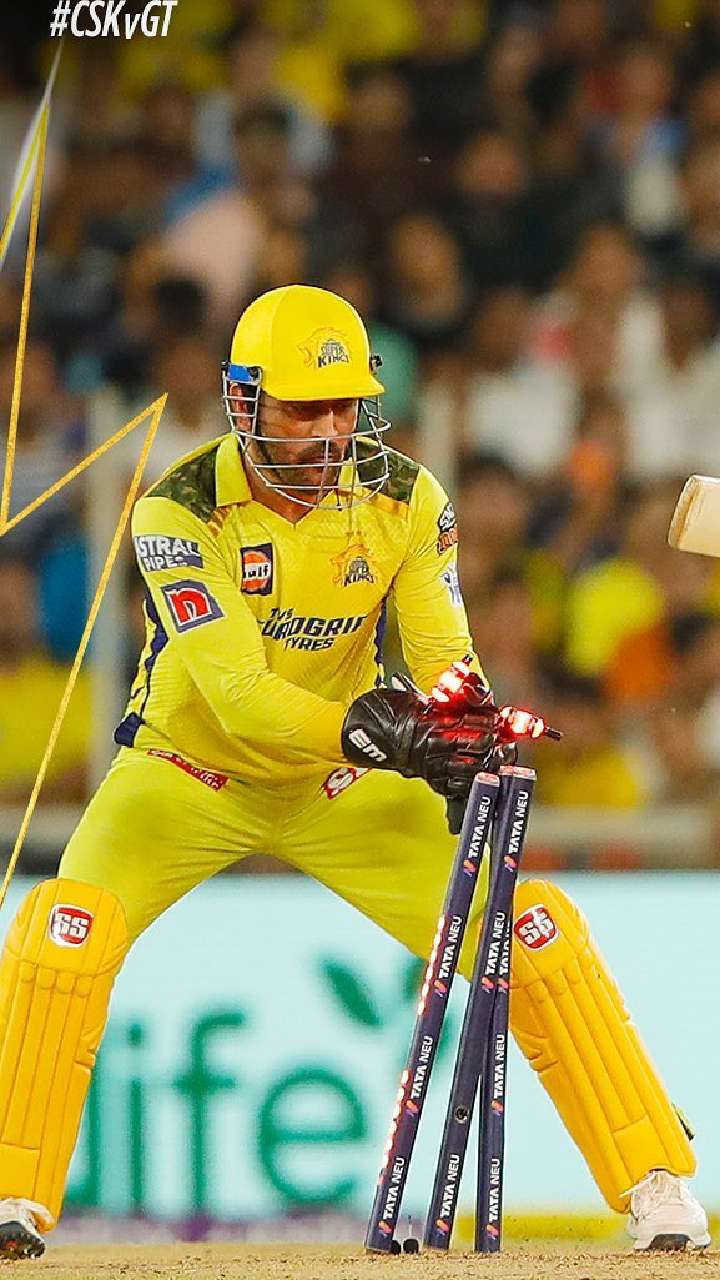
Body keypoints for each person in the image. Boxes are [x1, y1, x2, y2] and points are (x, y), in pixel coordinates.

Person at [0, 286, 708, 1258]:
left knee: (530, 930)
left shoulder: (407, 498)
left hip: (339, 787)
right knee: (61, 931)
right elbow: (238, 695)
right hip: (185, 772)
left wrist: (462, 733)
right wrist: (378, 736)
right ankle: (12, 1195)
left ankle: (656, 1179)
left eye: (344, 407)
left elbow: (443, 654)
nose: (331, 431)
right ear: (244, 400)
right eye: (303, 408)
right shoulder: (178, 510)